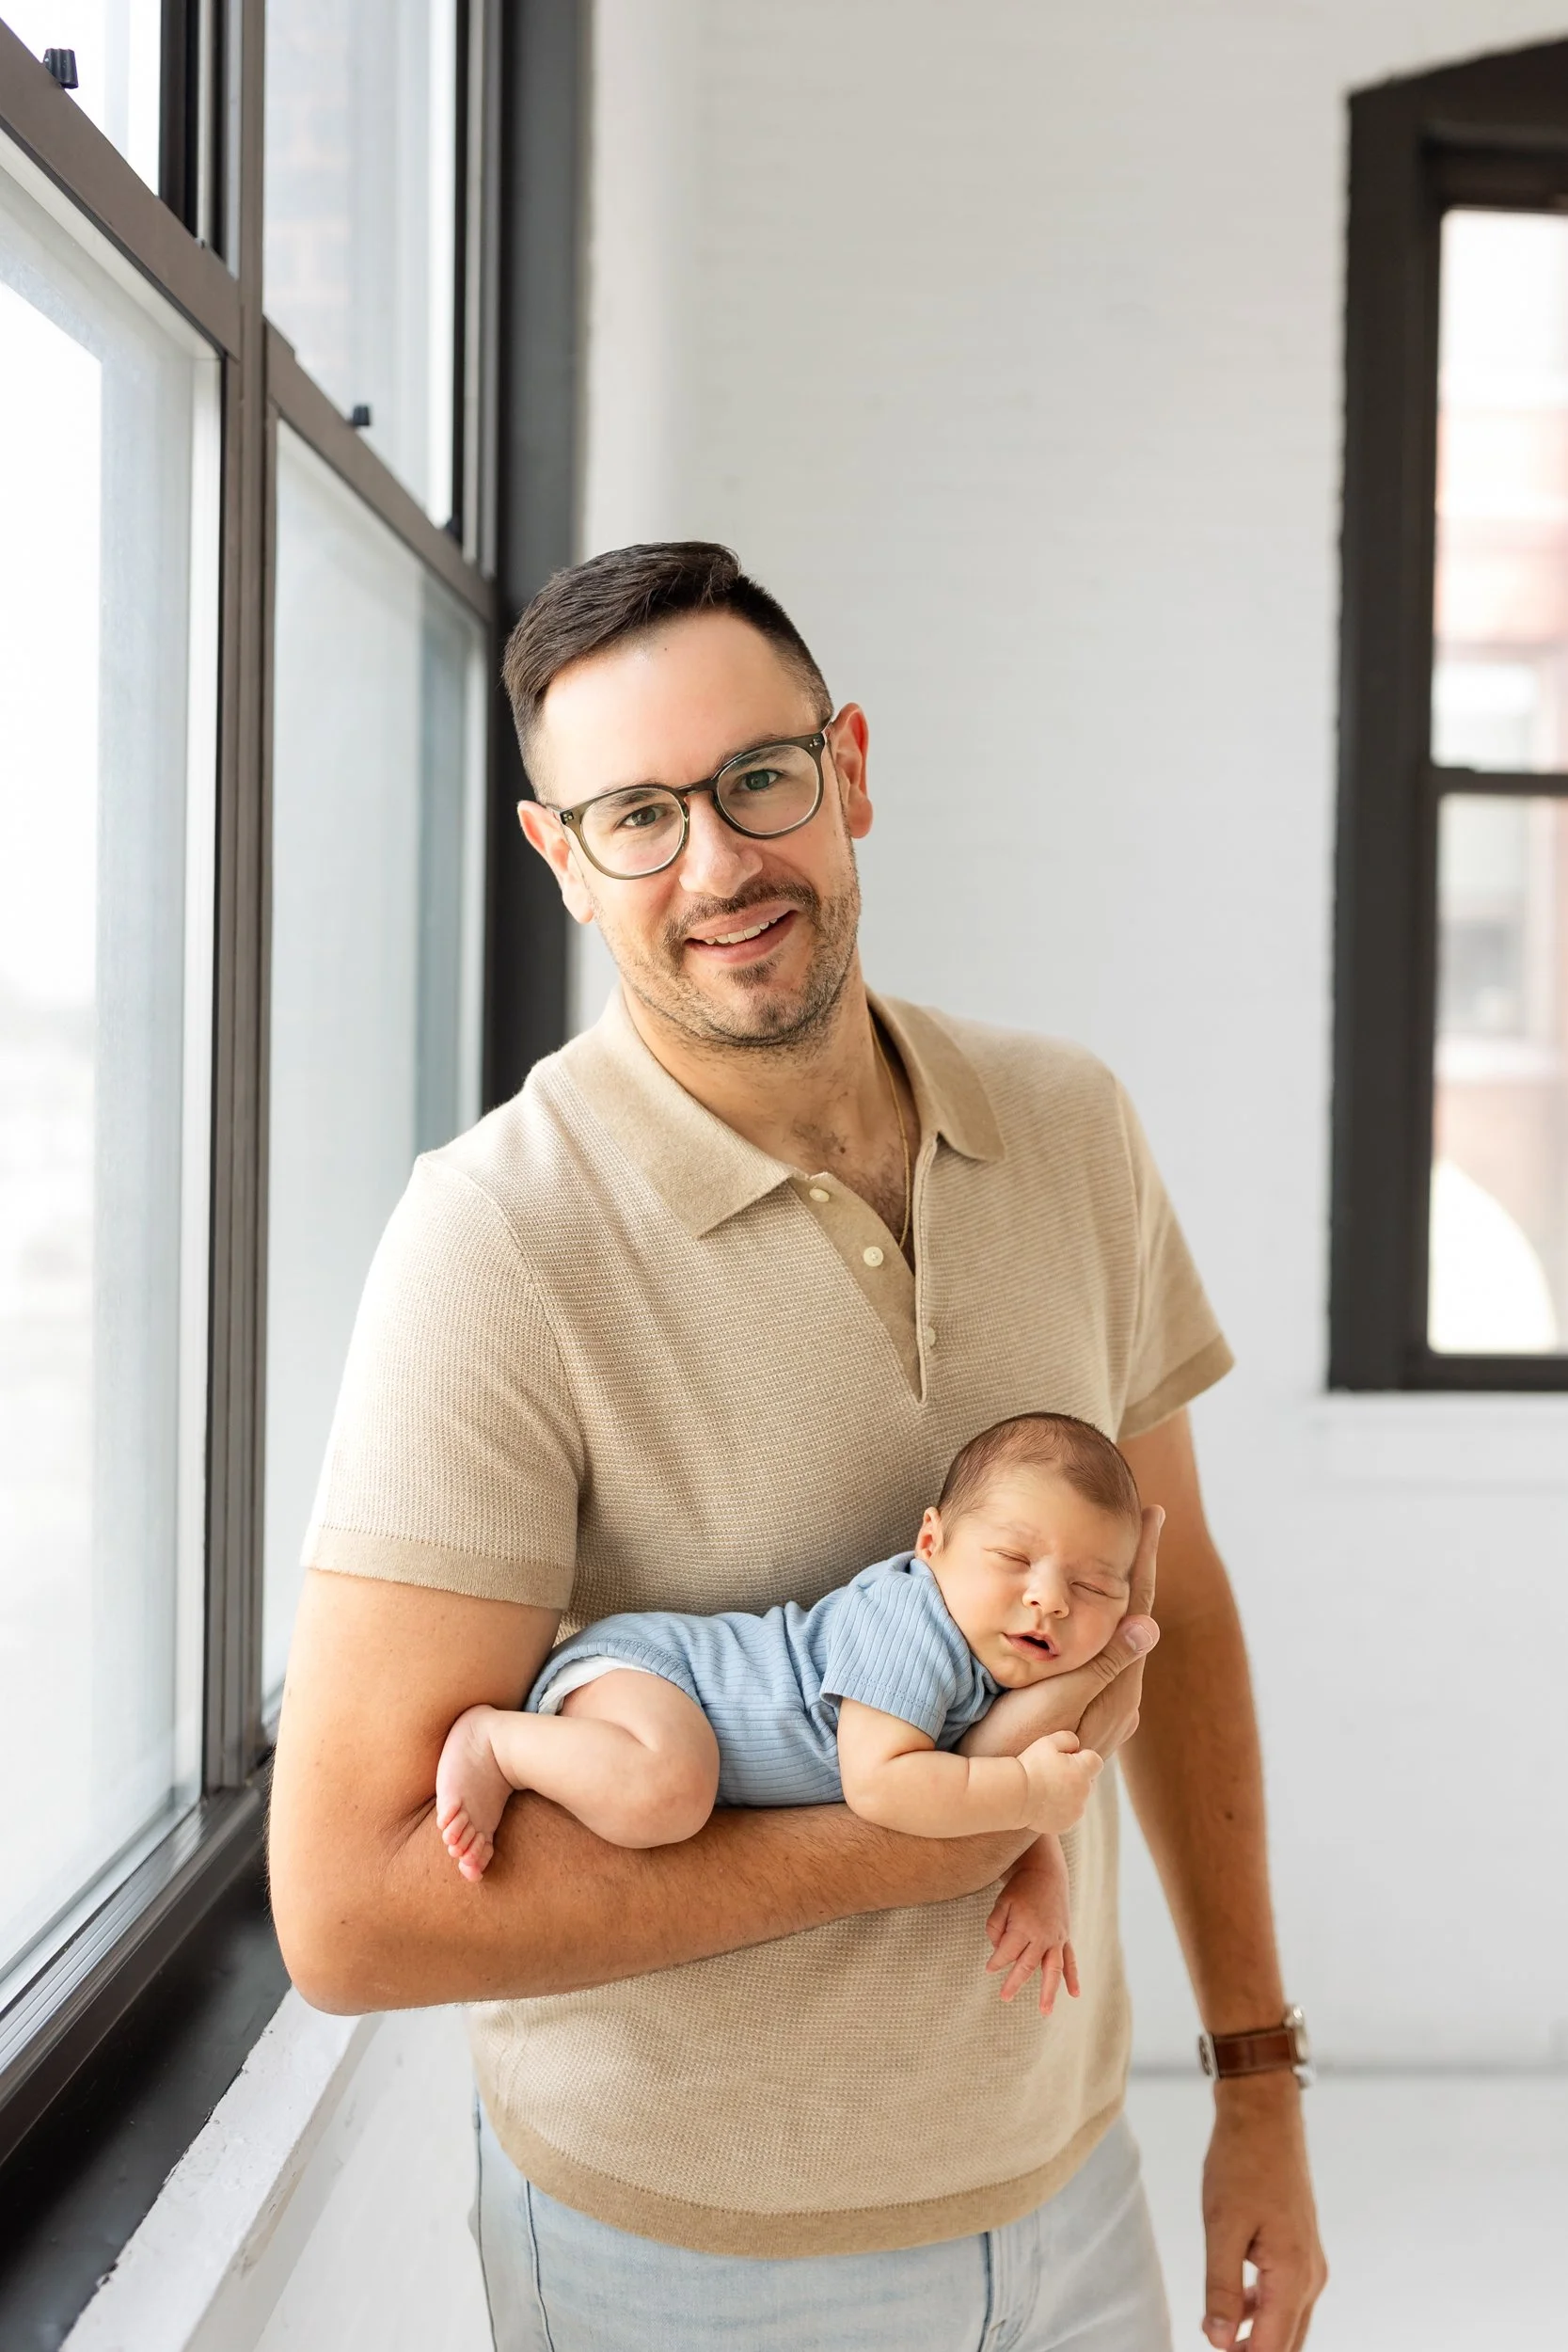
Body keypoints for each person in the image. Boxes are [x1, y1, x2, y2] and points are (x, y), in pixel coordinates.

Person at [268, 541, 1326, 2352]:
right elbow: (351, 1916)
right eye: (633, 817)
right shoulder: (493, 1241)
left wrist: (1254, 2082)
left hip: (1069, 2191)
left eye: (755, 781)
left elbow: (1189, 1604)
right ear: (561, 862)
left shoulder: (1069, 1124)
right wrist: (918, 1837)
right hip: (685, 2269)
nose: (717, 866)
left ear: (844, 769)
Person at [434, 1411, 1136, 2020]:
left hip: (663, 1695)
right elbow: (884, 1783)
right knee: (667, 1795)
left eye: (1093, 1586)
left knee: (675, 1787)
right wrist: (1028, 1794)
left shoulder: (995, 1659)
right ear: (931, 1543)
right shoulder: (911, 1622)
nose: (1049, 1599)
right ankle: (497, 1742)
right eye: (1012, 1557)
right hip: (654, 1675)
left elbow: (974, 1775)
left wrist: (1038, 1866)